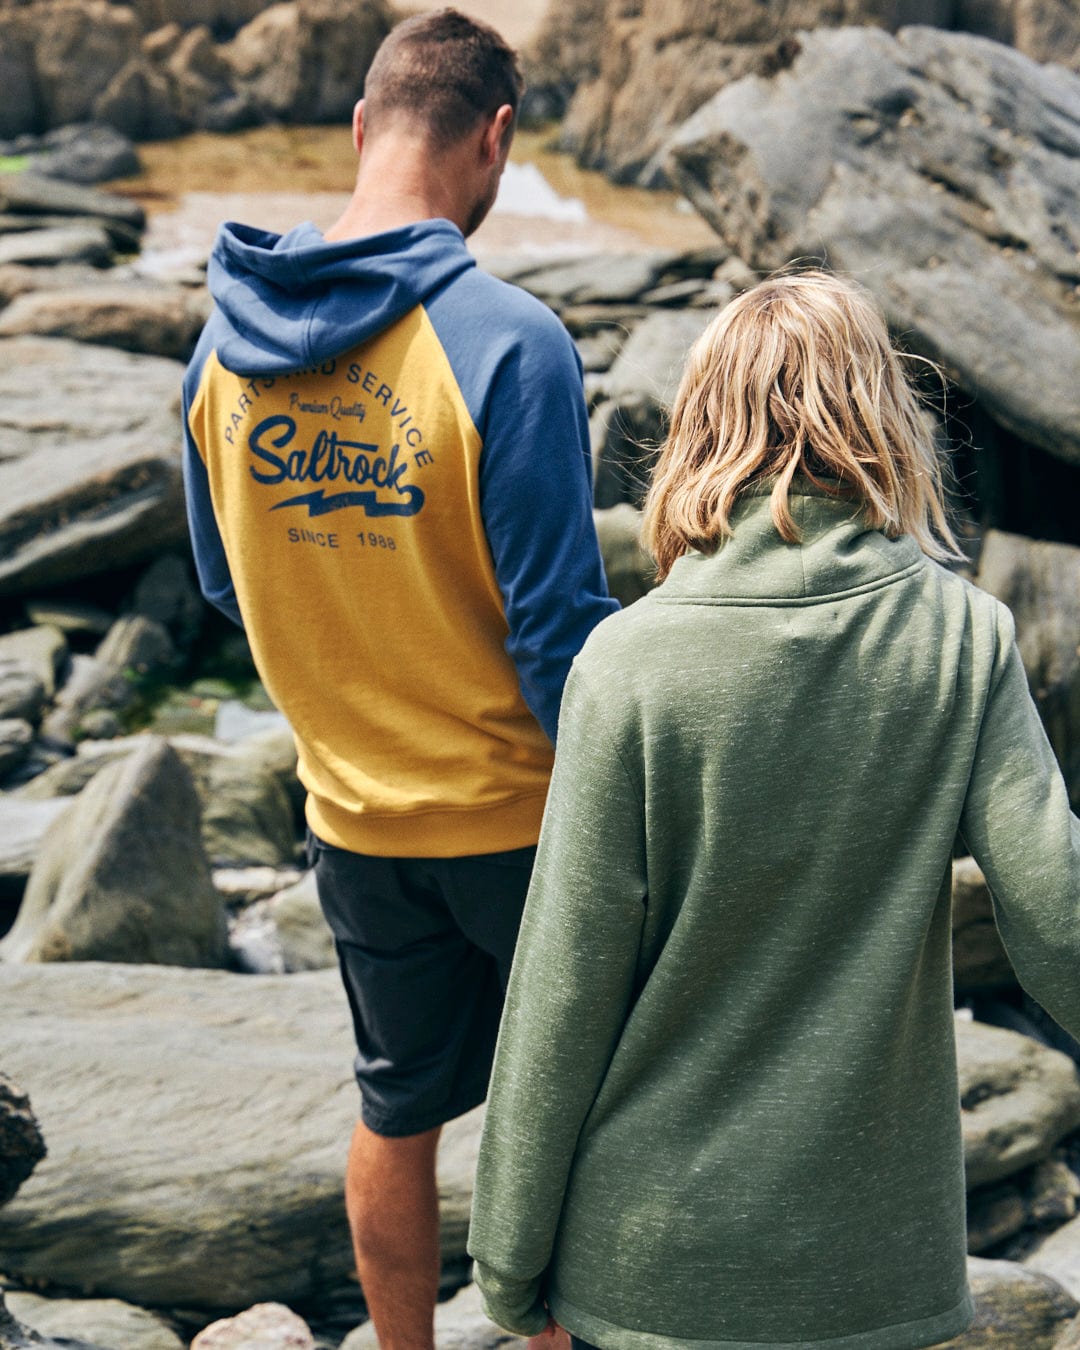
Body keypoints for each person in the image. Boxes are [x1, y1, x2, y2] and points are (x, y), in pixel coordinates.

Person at [467, 270, 1080, 1350]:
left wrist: (509, 1264)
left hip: (650, 1263)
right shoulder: (962, 639)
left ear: (701, 428)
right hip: (870, 1274)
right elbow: (1058, 917)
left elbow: (563, 987)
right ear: (882, 421)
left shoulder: (627, 664)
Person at [181, 10, 616, 1348]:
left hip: (353, 823)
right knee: (583, 1121)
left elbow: (222, 585)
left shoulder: (218, 348)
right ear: (495, 141)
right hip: (521, 828)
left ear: (364, 126)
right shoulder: (507, 340)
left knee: (396, 1106)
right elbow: (559, 635)